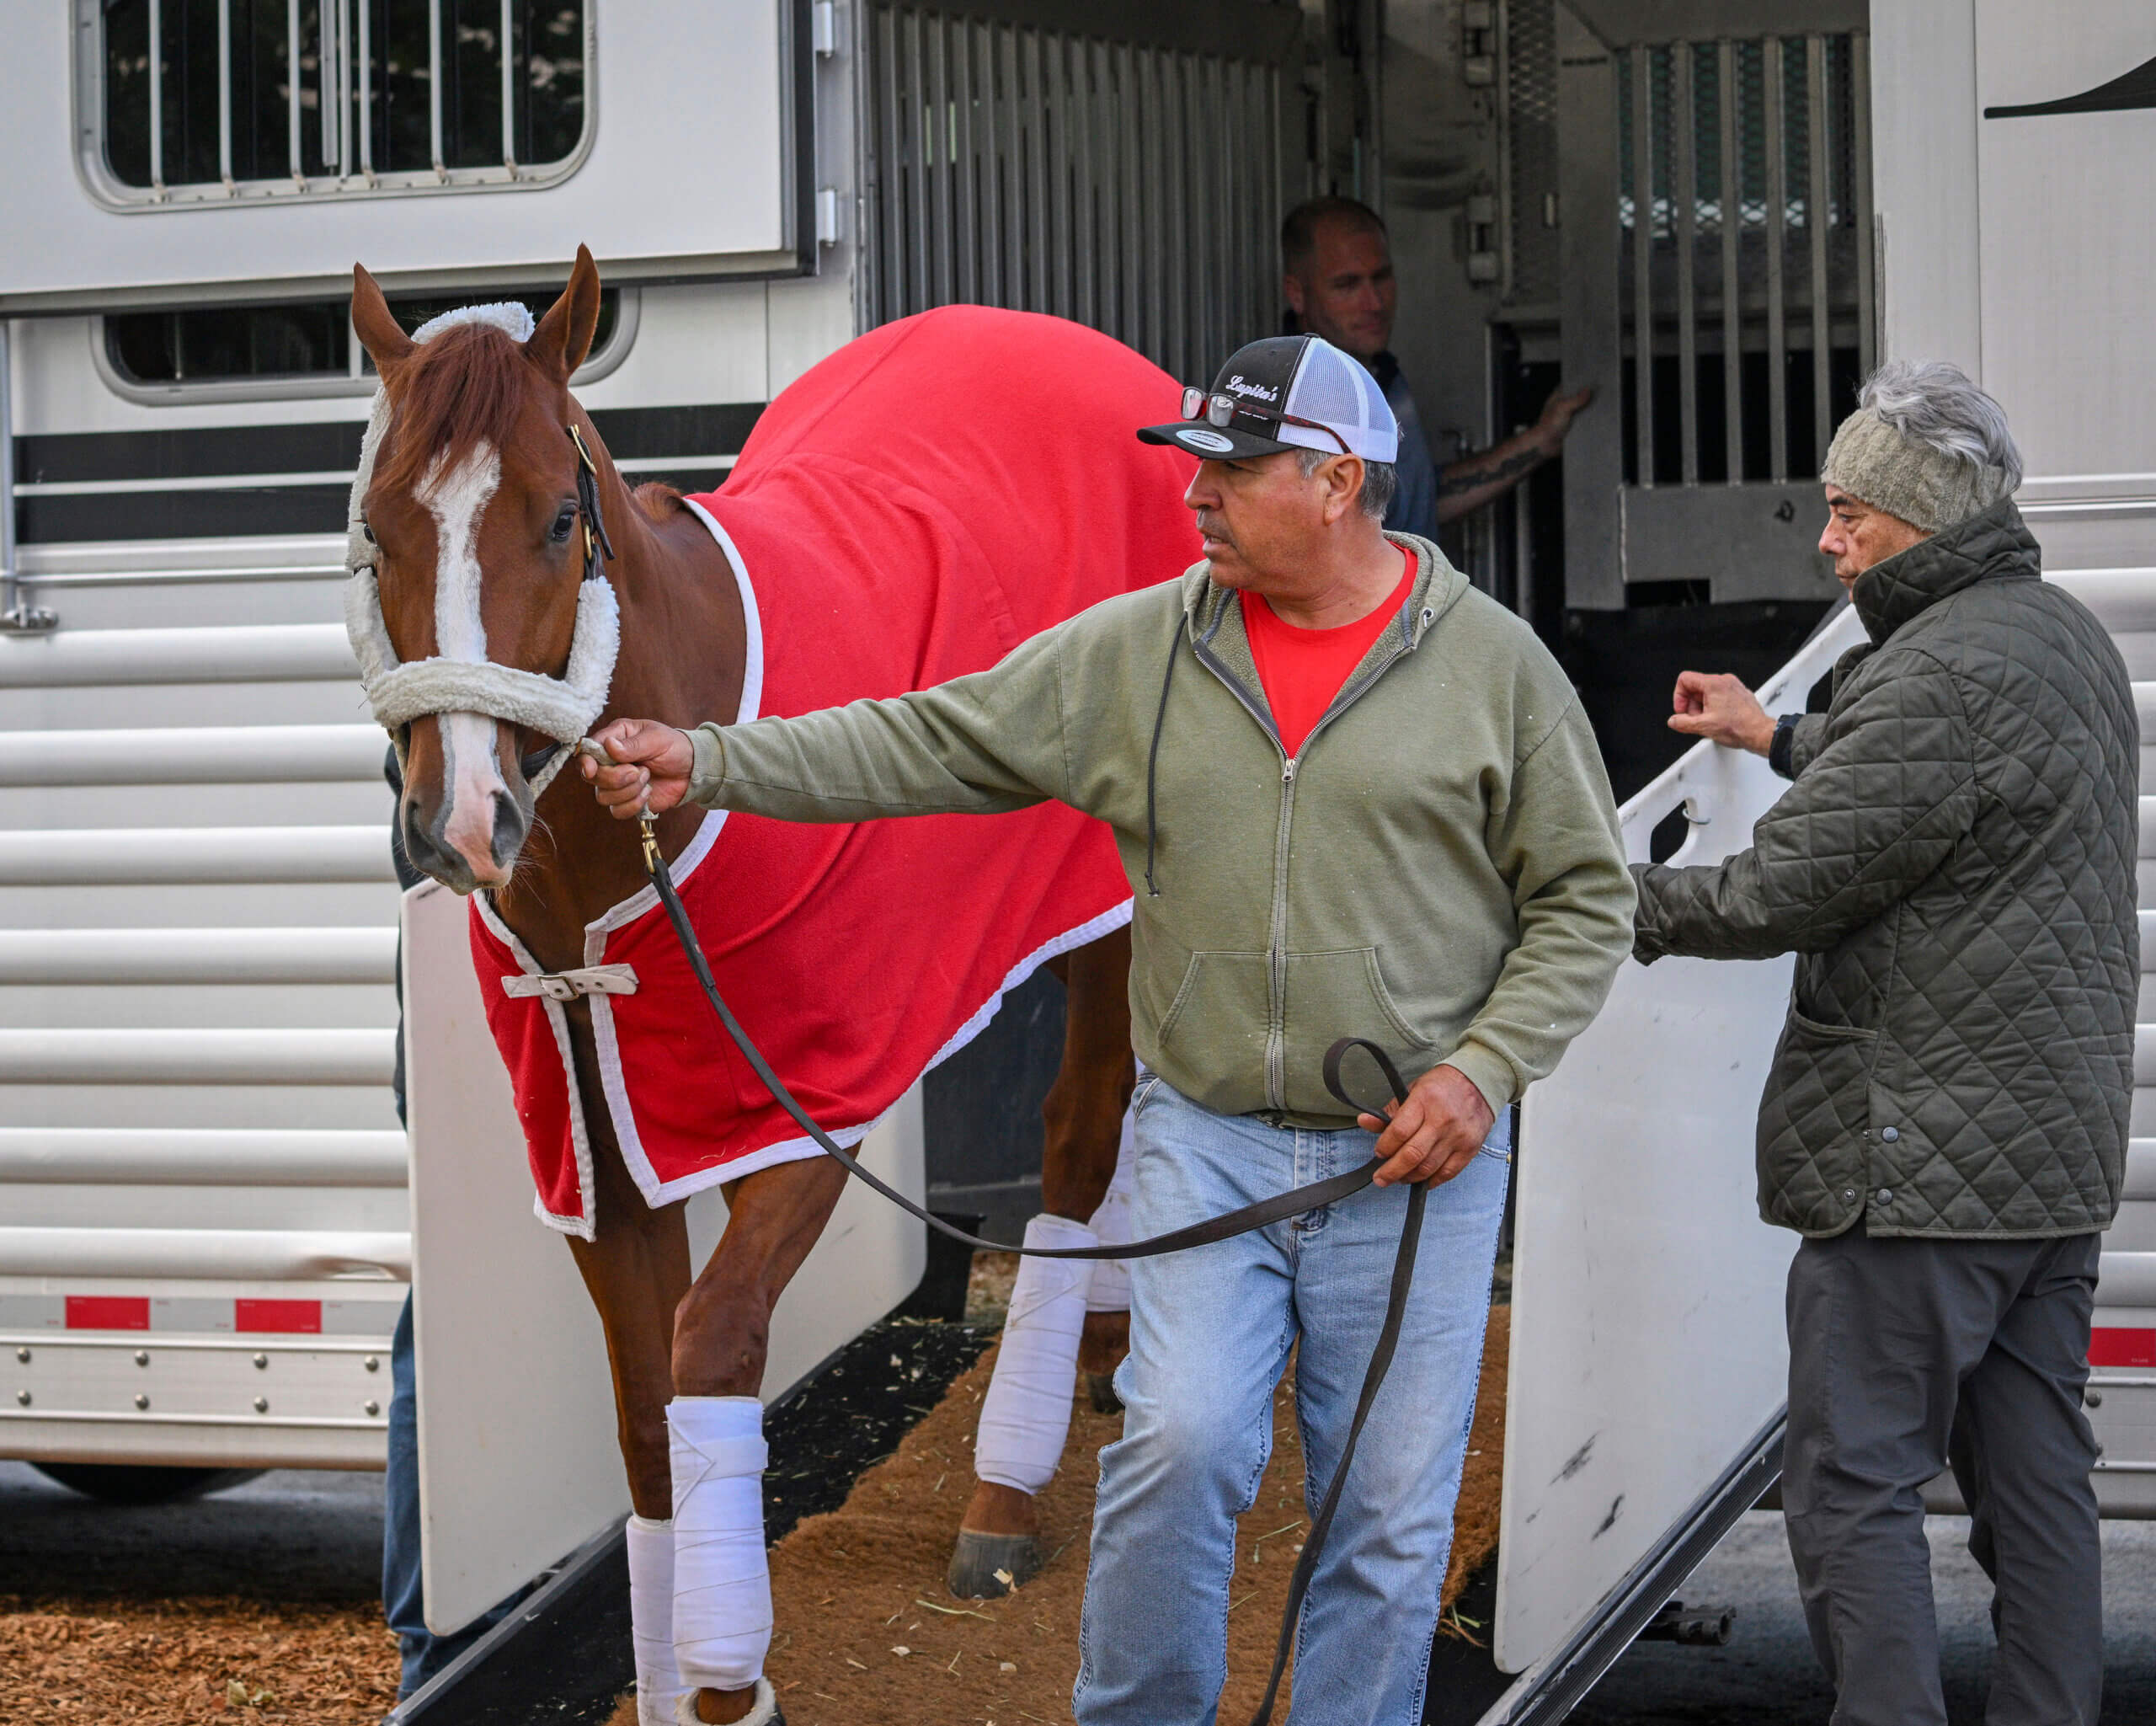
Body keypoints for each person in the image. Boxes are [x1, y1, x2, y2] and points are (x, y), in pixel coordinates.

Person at [581, 331, 1635, 1724]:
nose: (1191, 495)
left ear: (1336, 481)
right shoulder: (1144, 649)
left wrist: (1484, 1071)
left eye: (1229, 469)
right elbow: (926, 740)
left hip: (1409, 1162)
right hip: (1208, 1145)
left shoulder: (1492, 669)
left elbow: (1584, 898)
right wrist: (705, 757)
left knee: (1384, 1518)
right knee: (1179, 1446)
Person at [1630, 361, 2133, 1725]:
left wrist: (1607, 903)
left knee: (1854, 1480)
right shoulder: (2055, 637)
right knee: (2038, 1491)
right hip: (2049, 1170)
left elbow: (1791, 883)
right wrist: (1772, 727)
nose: (1828, 536)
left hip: (1913, 1168)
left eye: (1853, 512)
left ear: (1923, 519)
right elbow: (1924, 783)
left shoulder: (1935, 676)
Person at [1280, 195, 1593, 538]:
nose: (1375, 303)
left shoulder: (1379, 374)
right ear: (1297, 295)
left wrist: (1541, 440)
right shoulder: (1293, 402)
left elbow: (1415, 504)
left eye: (1381, 277)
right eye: (1347, 285)